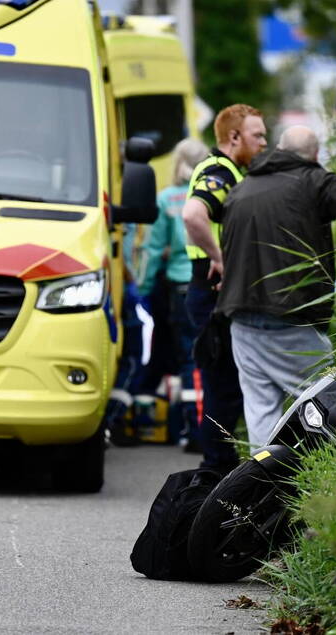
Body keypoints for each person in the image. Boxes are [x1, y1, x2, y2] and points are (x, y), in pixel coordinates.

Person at [216, 125, 336, 445]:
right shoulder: (314, 181)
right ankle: (328, 481)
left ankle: (265, 484)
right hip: (292, 319)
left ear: (280, 148)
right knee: (325, 404)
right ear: (314, 154)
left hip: (241, 318)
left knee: (260, 409)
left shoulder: (241, 190)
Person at [181, 105, 268, 472]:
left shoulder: (233, 172)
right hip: (213, 292)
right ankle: (215, 469)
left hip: (216, 294)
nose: (264, 142)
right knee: (223, 388)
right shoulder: (219, 172)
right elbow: (192, 215)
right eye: (258, 136)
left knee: (226, 387)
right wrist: (220, 257)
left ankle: (219, 465)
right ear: (234, 138)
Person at [137, 138, 210, 450]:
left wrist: (143, 288)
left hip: (178, 289)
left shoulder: (166, 200)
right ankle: (208, 429)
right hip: (207, 283)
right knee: (207, 358)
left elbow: (153, 251)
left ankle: (191, 431)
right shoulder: (211, 197)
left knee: (185, 358)